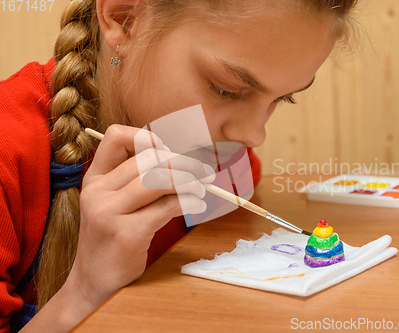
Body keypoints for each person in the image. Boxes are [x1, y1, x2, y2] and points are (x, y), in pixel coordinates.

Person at [0, 0, 358, 331]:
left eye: (283, 97)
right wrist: (84, 292)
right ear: (124, 18)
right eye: (225, 89)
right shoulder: (10, 150)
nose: (253, 134)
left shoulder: (217, 153)